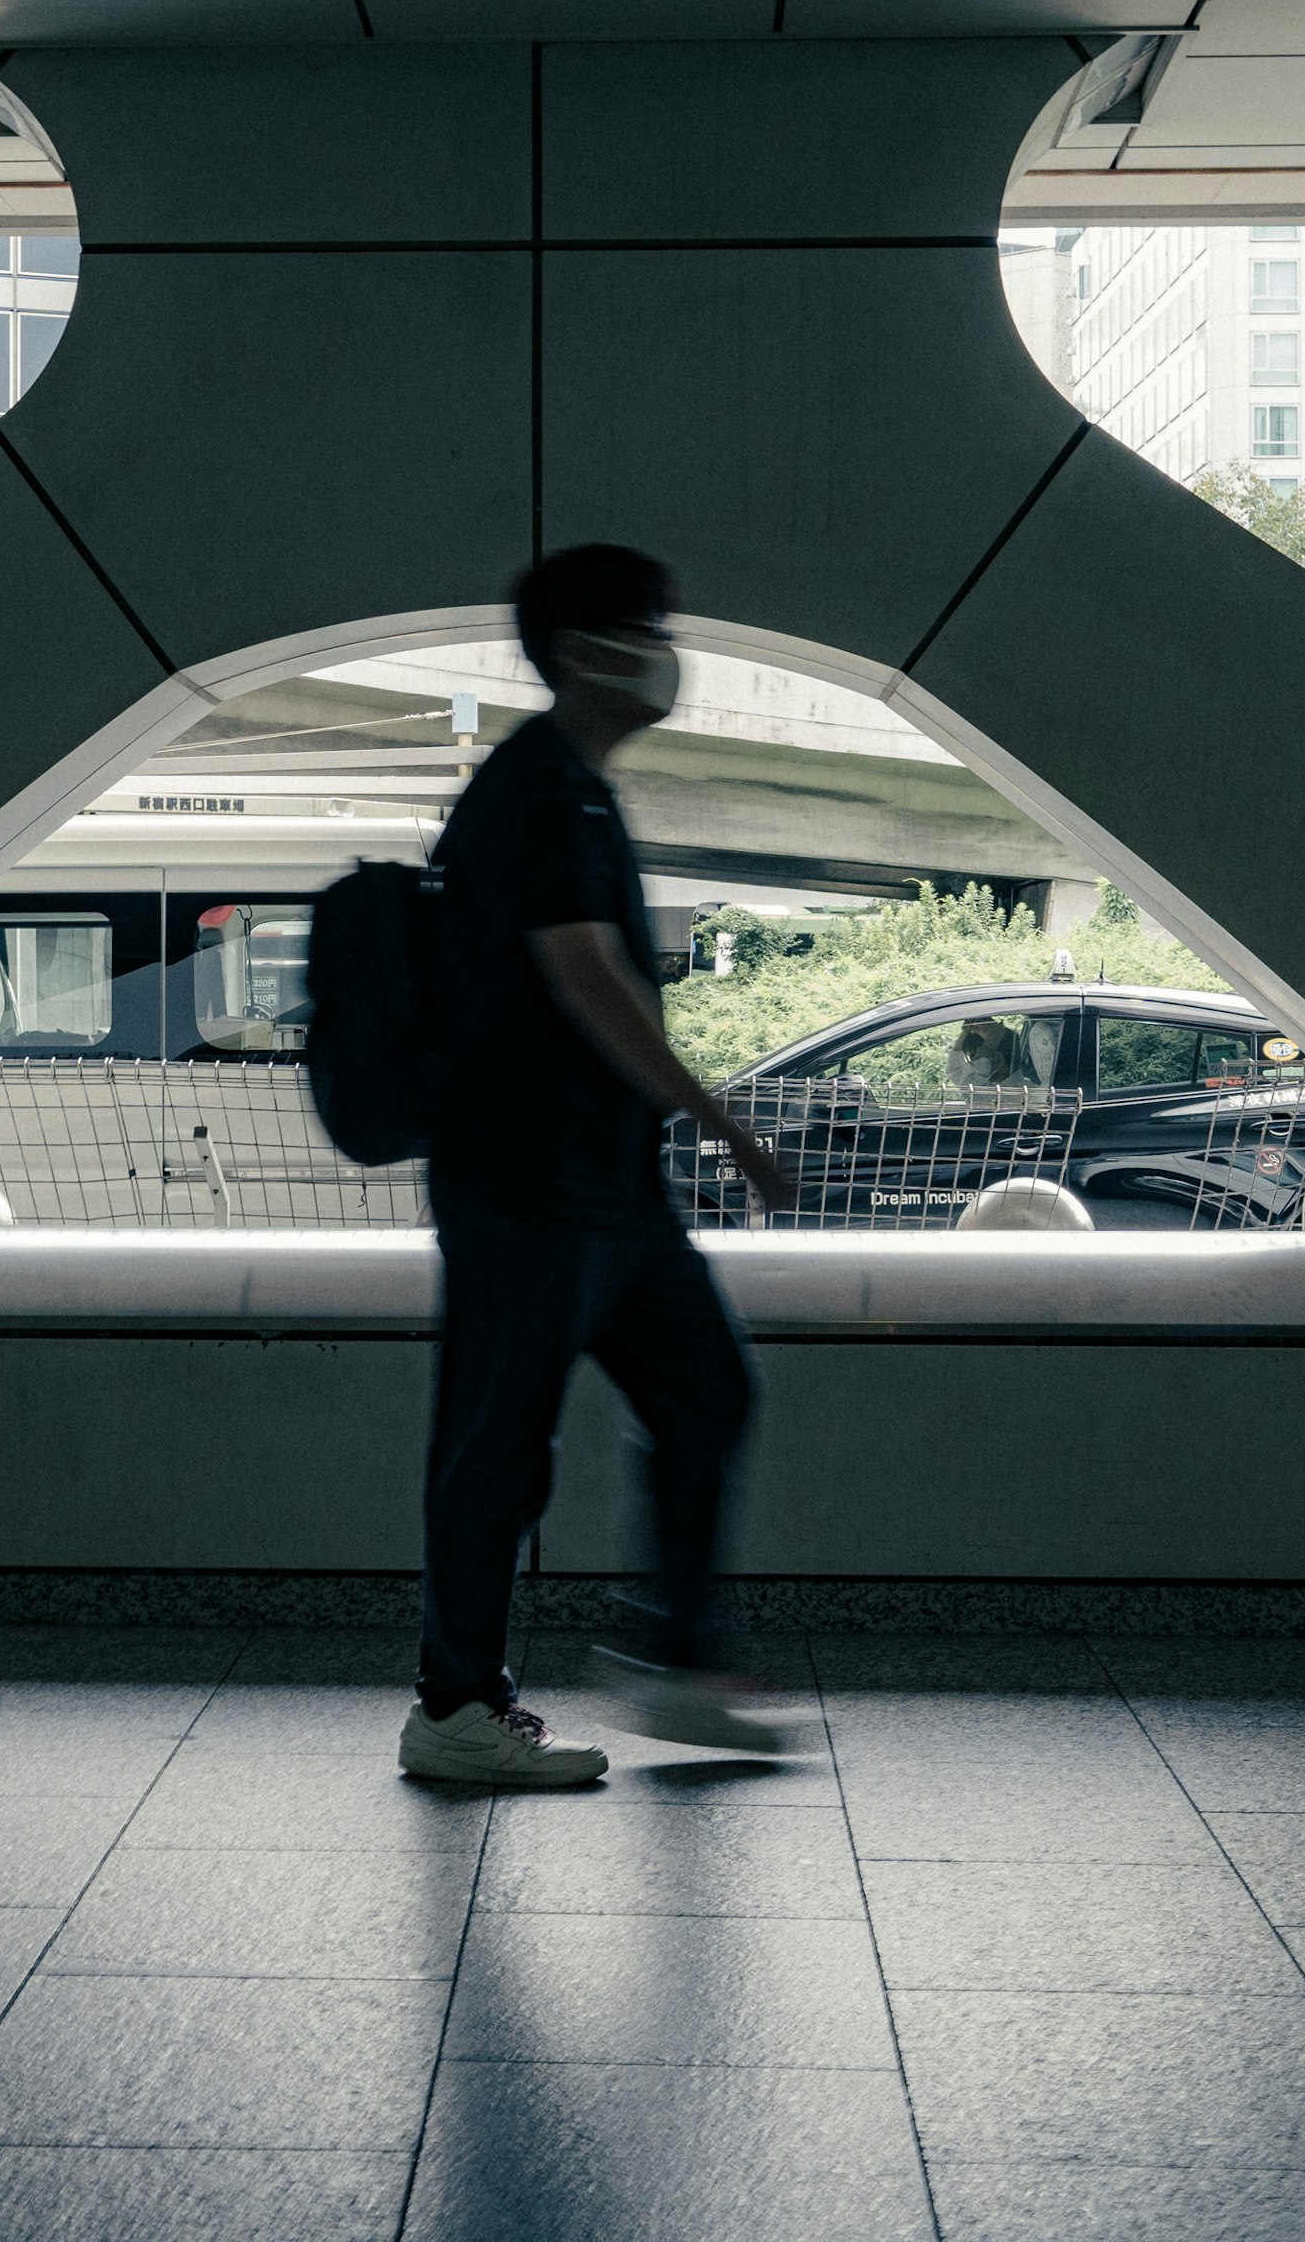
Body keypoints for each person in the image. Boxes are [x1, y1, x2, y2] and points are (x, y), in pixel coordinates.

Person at [397, 546, 798, 1787]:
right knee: (500, 1445)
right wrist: (722, 1119)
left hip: (605, 1188)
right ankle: (455, 1706)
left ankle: (677, 1658)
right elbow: (589, 979)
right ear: (584, 650)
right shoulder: (533, 789)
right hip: (530, 1188)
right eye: (650, 629)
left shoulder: (575, 786)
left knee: (706, 1391)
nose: (670, 653)